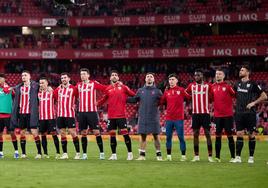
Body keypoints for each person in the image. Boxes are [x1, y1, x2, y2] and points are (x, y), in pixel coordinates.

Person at [233, 65, 267, 163]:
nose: (240, 71)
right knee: (239, 134)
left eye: (242, 70)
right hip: (239, 113)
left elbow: (264, 96)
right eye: (240, 70)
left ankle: (251, 157)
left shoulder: (253, 84)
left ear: (248, 72)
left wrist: (254, 103)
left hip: (250, 113)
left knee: (251, 135)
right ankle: (238, 157)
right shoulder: (237, 84)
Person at [98, 70, 135, 160]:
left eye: (116, 75)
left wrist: (128, 99)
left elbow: (134, 95)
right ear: (110, 78)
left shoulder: (124, 87)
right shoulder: (108, 89)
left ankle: (130, 153)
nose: (114, 76)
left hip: (121, 116)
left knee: (125, 134)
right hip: (111, 116)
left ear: (118, 77)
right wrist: (94, 104)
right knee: (112, 135)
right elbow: (102, 100)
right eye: (112, 75)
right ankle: (114, 155)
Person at [128, 72, 163, 161]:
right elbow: (134, 100)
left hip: (154, 117)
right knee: (143, 136)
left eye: (151, 77)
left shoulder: (158, 91)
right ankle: (142, 156)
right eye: (148, 77)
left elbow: (164, 101)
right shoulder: (140, 90)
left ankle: (159, 155)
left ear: (154, 79)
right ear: (145, 79)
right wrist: (123, 98)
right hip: (143, 116)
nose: (149, 78)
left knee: (156, 136)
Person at [10, 70, 42, 159]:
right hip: (22, 113)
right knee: (22, 133)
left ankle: (39, 153)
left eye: (25, 75)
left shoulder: (35, 86)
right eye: (22, 75)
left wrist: (49, 88)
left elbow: (43, 87)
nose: (23, 77)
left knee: (34, 132)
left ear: (29, 76)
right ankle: (23, 153)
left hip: (31, 114)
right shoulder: (18, 87)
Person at [76, 68, 106, 160]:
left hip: (92, 112)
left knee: (96, 132)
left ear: (88, 75)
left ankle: (101, 153)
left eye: (84, 74)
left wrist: (100, 102)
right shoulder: (78, 85)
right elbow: (72, 92)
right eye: (81, 74)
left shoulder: (94, 83)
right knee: (83, 133)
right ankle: (84, 154)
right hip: (82, 113)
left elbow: (105, 89)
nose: (83, 76)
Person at [185, 69, 214, 162]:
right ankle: (196, 156)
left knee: (207, 134)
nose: (196, 77)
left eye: (198, 75)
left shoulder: (208, 85)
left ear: (202, 76)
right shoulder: (191, 86)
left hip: (205, 113)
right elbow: (184, 93)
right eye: (195, 75)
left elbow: (213, 96)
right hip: (195, 114)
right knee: (195, 134)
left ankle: (210, 156)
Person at [160, 73, 189, 161]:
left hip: (179, 118)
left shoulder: (181, 90)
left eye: (173, 79)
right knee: (168, 137)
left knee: (181, 137)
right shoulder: (167, 91)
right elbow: (161, 102)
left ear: (176, 80)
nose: (171, 81)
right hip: (169, 118)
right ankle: (169, 156)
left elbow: (189, 98)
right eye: (170, 80)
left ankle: (183, 156)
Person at [211, 69, 236, 162]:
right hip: (217, 116)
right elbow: (210, 98)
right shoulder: (212, 87)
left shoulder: (228, 86)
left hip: (228, 115)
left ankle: (233, 157)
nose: (217, 75)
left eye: (220, 74)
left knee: (230, 136)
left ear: (223, 76)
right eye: (216, 74)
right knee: (218, 136)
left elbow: (235, 95)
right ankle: (217, 157)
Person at [54, 73, 80, 160]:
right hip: (60, 115)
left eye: (65, 77)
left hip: (70, 115)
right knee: (62, 134)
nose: (63, 79)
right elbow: (53, 97)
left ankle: (78, 153)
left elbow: (79, 98)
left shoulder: (74, 89)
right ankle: (65, 153)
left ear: (69, 78)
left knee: (73, 133)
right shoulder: (58, 89)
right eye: (62, 78)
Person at [38, 77, 60, 159]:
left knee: (54, 134)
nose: (41, 84)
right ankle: (46, 153)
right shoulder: (38, 93)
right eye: (40, 83)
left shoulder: (52, 92)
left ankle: (58, 153)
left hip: (51, 117)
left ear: (47, 83)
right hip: (42, 118)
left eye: (43, 82)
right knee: (43, 135)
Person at [0, 73, 19, 159]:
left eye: (1, 79)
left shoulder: (10, 88)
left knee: (12, 133)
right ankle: (0, 152)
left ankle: (16, 151)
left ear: (4, 79)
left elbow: (16, 95)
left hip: (8, 115)